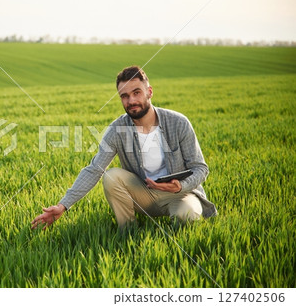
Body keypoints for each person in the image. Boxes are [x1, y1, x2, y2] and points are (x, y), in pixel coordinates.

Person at [31, 66, 217, 230]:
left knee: (187, 217)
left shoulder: (178, 122)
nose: (131, 100)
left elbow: (200, 168)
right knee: (111, 176)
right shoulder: (117, 130)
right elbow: (94, 169)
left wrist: (180, 186)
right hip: (144, 194)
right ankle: (128, 232)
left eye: (137, 92)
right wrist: (63, 206)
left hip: (180, 194)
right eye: (125, 96)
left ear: (149, 92)